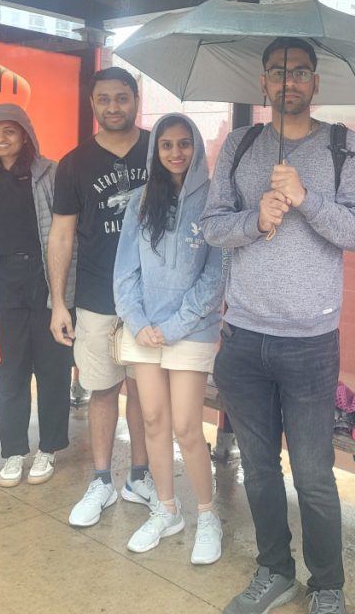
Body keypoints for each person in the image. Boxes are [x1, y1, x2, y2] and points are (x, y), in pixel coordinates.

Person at [200, 38, 355, 614]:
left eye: (300, 72)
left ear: (315, 83)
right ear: (263, 83)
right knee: (258, 471)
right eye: (278, 73)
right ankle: (274, 570)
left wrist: (306, 199)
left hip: (309, 344)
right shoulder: (240, 145)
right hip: (243, 338)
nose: (289, 82)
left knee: (313, 476)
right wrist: (255, 219)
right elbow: (211, 227)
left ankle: (327, 585)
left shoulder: (344, 147)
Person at [114, 113, 226, 564]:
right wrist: (138, 321)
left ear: (196, 147)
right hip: (144, 329)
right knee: (153, 419)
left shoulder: (216, 201)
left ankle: (208, 515)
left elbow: (216, 278)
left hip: (192, 330)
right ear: (155, 151)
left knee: (186, 426)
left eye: (184, 144)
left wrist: (174, 326)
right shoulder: (141, 200)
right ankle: (166, 509)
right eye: (166, 145)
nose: (176, 152)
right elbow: (125, 271)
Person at [47, 67, 156, 527]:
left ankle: (140, 477)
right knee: (102, 388)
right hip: (96, 298)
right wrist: (58, 301)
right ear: (92, 103)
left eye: (122, 97)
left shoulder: (160, 149)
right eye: (104, 99)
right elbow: (61, 235)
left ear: (136, 100)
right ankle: (100, 481)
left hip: (152, 300)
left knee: (145, 392)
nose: (114, 107)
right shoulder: (74, 164)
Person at [0, 104, 74, 488]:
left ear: (25, 135)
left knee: (53, 366)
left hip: (46, 278)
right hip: (5, 278)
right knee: (11, 368)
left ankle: (49, 447)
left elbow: (66, 233)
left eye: (10, 131)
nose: (1, 139)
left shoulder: (48, 172)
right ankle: (14, 451)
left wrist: (65, 292)